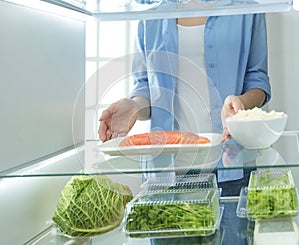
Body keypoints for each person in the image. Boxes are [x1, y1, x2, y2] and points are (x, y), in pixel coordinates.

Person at [98, 14, 271, 196]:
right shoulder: (151, 10)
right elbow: (145, 86)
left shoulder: (246, 9)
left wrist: (240, 104)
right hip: (165, 171)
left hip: (231, 165)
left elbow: (258, 80)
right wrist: (134, 107)